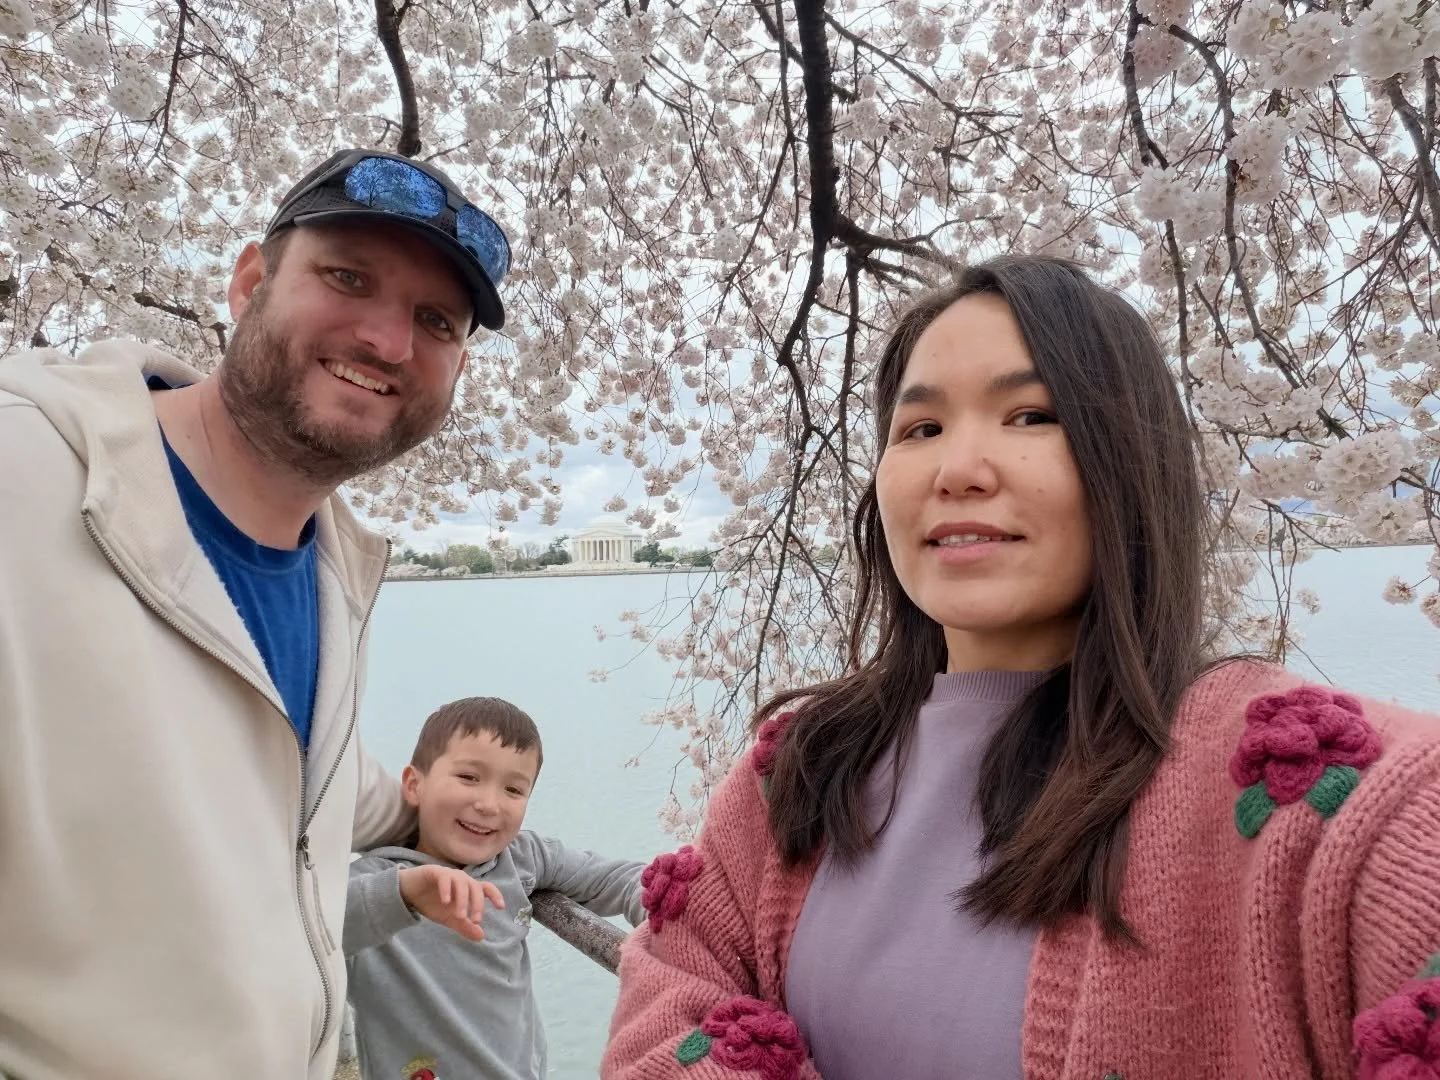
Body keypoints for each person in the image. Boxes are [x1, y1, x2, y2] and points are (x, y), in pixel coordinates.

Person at [603, 256, 1440, 1079]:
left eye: (1031, 416)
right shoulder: (799, 768)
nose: (958, 470)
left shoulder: (1321, 794)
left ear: (1130, 460)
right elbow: (667, 997)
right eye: (920, 429)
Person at [0, 149, 512, 1079]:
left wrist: (462, 808)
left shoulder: (332, 569)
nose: (390, 342)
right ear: (249, 282)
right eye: (348, 277)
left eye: (437, 321)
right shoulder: (21, 484)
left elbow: (292, 776)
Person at [344, 696, 647, 1080]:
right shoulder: (375, 879)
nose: (489, 804)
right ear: (414, 784)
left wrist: (662, 909)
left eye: (513, 790)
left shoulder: (521, 857)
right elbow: (314, 930)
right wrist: (403, 894)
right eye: (469, 777)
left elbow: (613, 878)